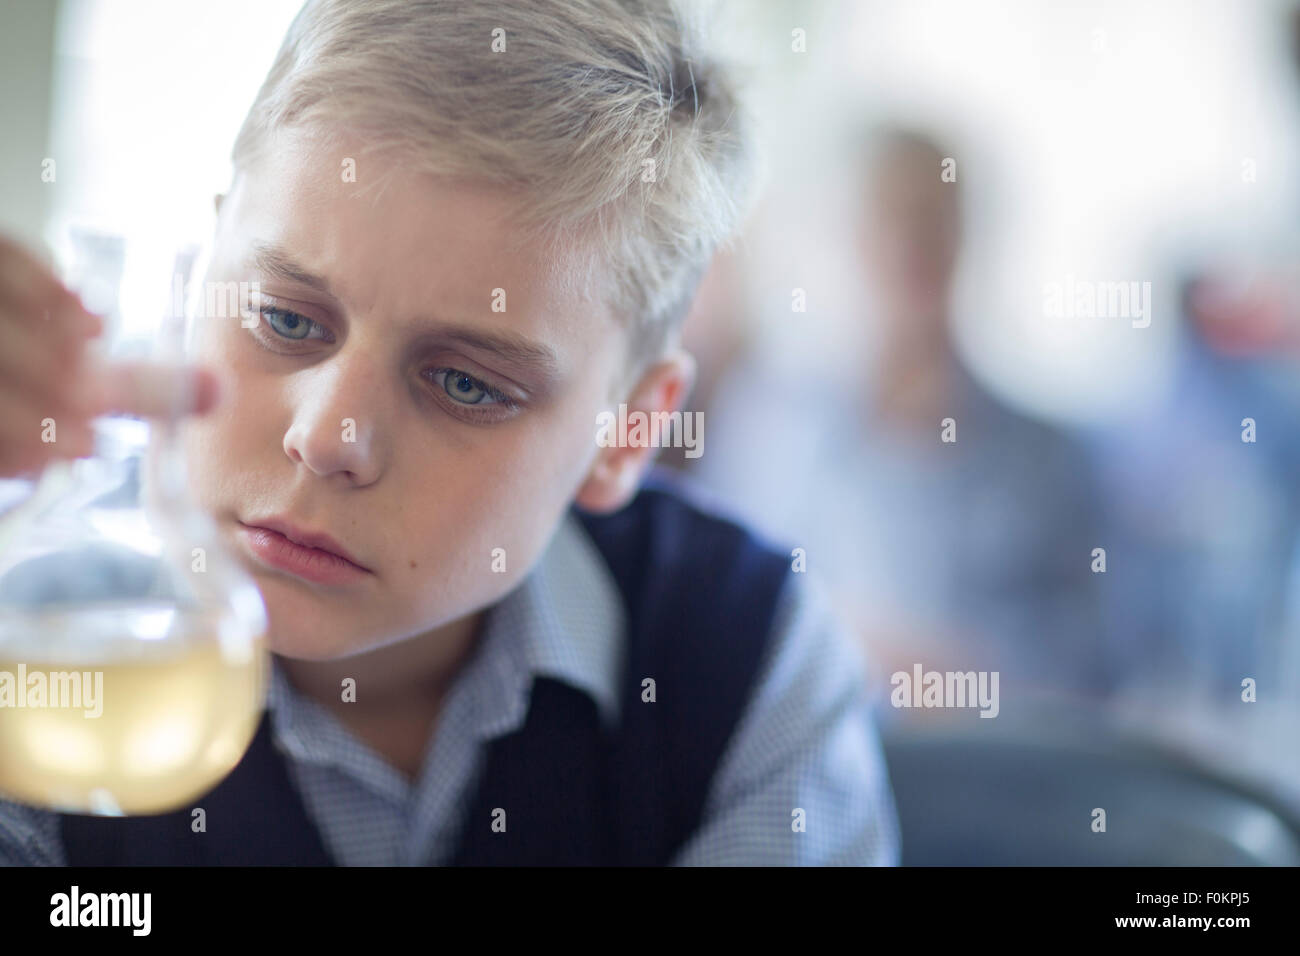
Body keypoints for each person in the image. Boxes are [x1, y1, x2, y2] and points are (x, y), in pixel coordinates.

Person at [0, 0, 898, 865]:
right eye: (284, 318)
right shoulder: (28, 615)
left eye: (466, 383)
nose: (328, 439)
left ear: (626, 431)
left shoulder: (743, 664)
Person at [695, 125, 1113, 711]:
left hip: (1002, 785)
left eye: (931, 219)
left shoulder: (1051, 459)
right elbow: (719, 624)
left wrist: (951, 675)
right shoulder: (769, 428)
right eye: (885, 219)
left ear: (965, 235)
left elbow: (1093, 673)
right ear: (847, 238)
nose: (907, 247)